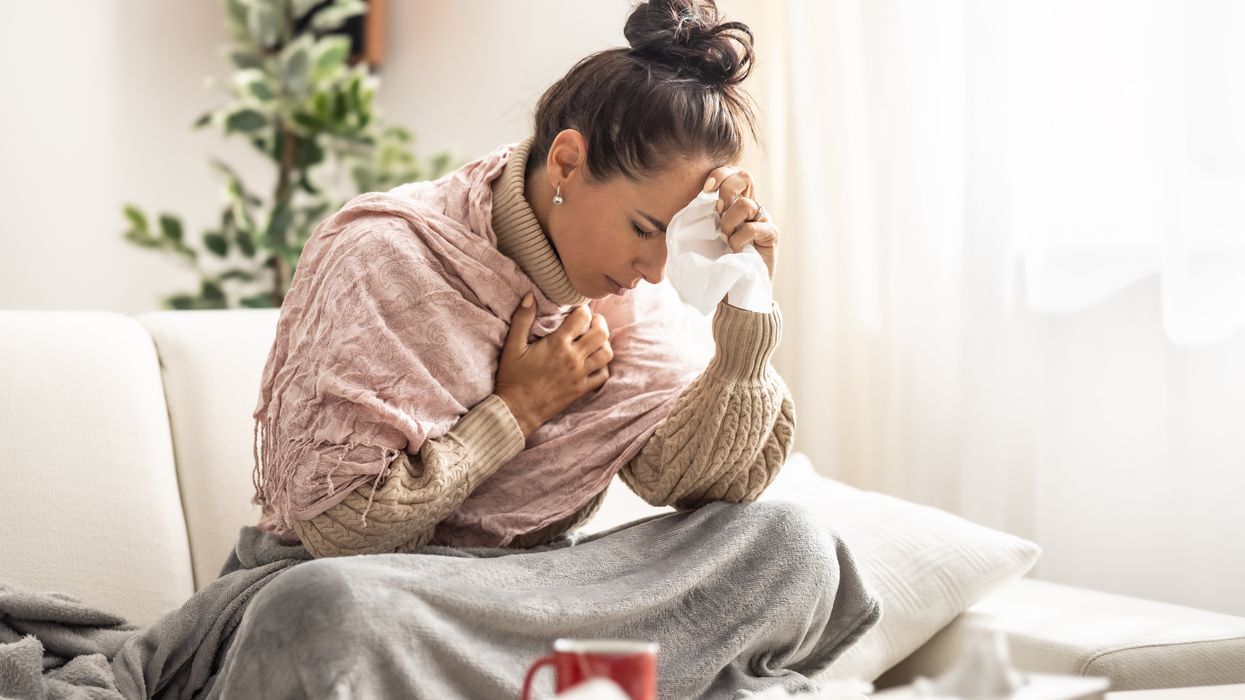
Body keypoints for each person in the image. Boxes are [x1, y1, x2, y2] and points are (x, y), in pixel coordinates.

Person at [215, 1, 880, 697]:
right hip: (383, 591)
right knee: (323, 609)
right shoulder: (389, 255)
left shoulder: (630, 299)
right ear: (567, 161)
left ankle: (540, 679)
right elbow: (344, 533)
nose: (656, 269)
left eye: (674, 239)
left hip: (528, 596)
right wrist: (516, 409)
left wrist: (745, 312)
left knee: (791, 547)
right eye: (644, 227)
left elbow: (697, 484)